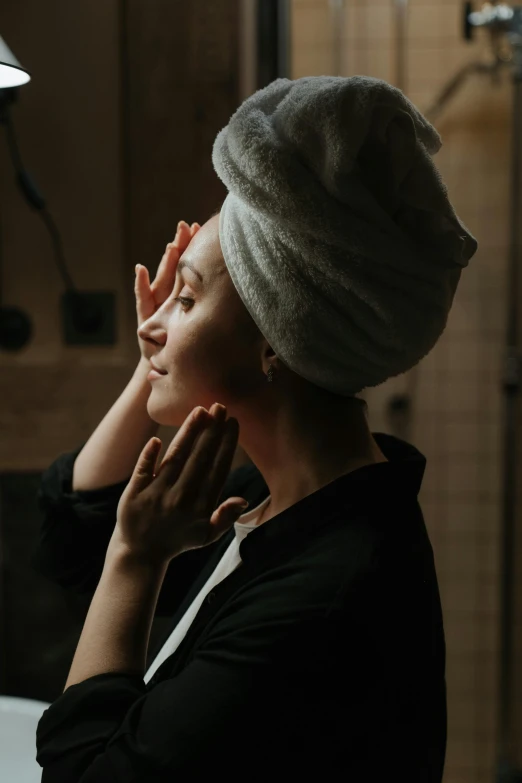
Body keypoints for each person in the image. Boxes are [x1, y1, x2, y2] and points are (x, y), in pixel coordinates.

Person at [31, 75, 477, 781]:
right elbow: (71, 534)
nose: (149, 322)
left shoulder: (324, 597)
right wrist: (162, 351)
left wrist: (138, 557)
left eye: (185, 297)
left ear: (275, 342)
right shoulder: (274, 501)